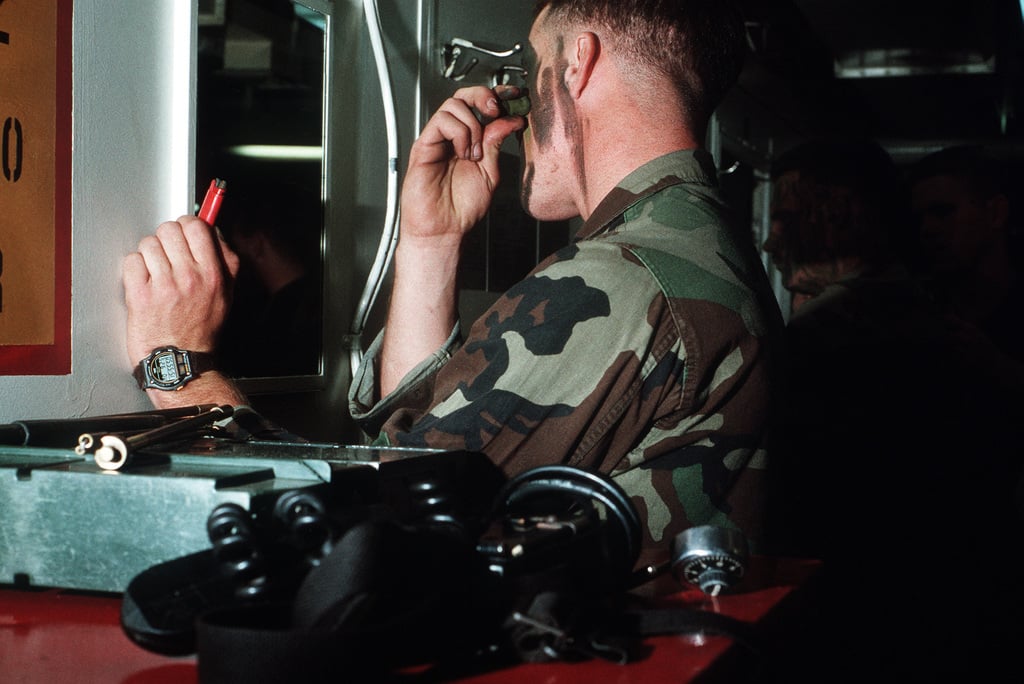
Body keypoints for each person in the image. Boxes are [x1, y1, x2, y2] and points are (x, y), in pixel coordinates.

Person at [123, 0, 784, 582]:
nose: (523, 109)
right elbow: (417, 452)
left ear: (577, 63)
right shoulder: (690, 244)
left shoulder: (625, 278)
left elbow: (367, 527)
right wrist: (430, 241)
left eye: (532, 70)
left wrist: (181, 366)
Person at [764, 137, 1024, 681]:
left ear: (844, 214)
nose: (771, 240)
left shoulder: (851, 333)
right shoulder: (923, 309)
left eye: (788, 218)